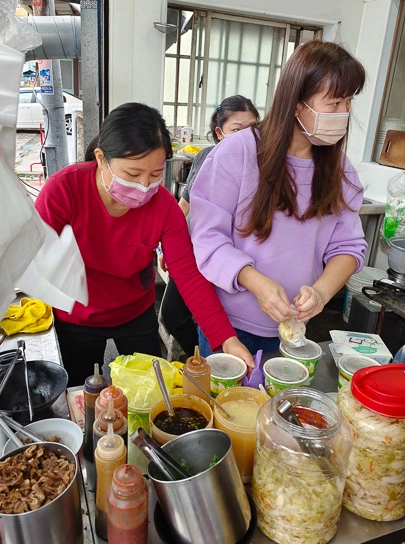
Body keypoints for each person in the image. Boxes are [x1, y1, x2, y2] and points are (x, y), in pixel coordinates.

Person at [35, 102, 254, 385]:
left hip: (135, 314)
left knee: (151, 389)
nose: (143, 186)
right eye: (133, 174)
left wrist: (225, 338)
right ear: (101, 159)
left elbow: (188, 276)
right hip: (76, 317)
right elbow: (35, 255)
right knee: (81, 393)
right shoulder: (63, 190)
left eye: (154, 175)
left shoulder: (163, 206)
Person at [190, 40, 368, 356]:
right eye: (335, 103)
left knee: (275, 405)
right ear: (297, 102)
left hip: (292, 331)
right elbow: (206, 238)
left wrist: (321, 292)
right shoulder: (238, 153)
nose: (344, 114)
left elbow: (349, 247)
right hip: (228, 327)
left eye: (349, 102)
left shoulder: (338, 169)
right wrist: (256, 283)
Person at [159, 96, 260, 356]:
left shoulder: (262, 162)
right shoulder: (206, 157)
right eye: (237, 130)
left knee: (219, 314)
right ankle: (200, 355)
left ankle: (215, 356)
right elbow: (185, 205)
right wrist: (170, 248)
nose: (246, 137)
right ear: (219, 132)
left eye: (253, 128)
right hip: (195, 250)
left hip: (230, 256)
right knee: (173, 314)